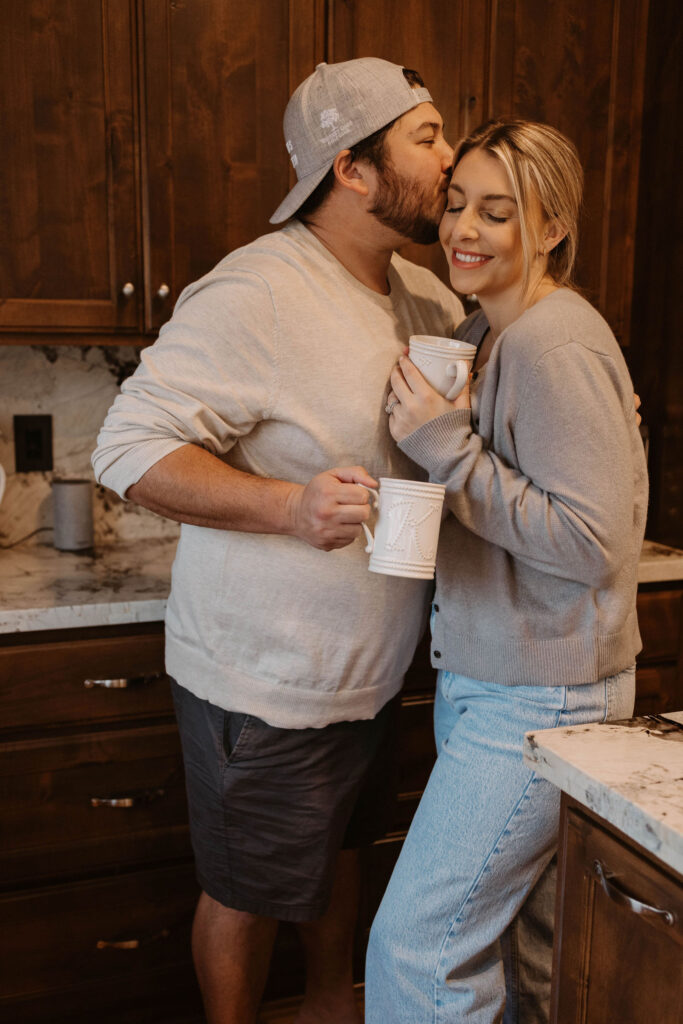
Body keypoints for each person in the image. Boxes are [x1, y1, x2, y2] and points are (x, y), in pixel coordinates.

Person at [92, 59, 463, 1024]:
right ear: (351, 168)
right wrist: (288, 508)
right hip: (263, 683)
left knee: (336, 861)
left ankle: (333, 1008)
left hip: (370, 677)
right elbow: (126, 450)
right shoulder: (256, 291)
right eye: (426, 137)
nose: (451, 156)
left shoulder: (421, 297)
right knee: (249, 890)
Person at [365, 119, 648, 1023]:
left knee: (419, 948)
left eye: (497, 211)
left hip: (539, 696)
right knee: (522, 953)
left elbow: (591, 541)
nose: (463, 230)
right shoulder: (484, 330)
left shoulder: (551, 343)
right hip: (497, 681)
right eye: (455, 206)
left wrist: (444, 451)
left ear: (551, 226)